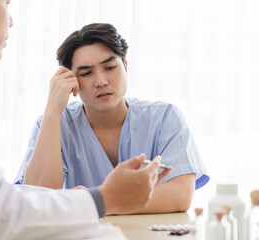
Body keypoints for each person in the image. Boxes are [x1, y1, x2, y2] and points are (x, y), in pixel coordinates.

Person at [0, 1, 171, 240]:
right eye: (6, 4)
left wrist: (84, 198)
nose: (11, 20)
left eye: (109, 67)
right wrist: (104, 198)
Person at [15, 23, 210, 214]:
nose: (101, 81)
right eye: (86, 73)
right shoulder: (52, 124)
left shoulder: (165, 117)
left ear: (125, 66)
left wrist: (92, 202)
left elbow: (180, 195)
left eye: (109, 67)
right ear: (71, 81)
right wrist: (52, 110)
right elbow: (38, 199)